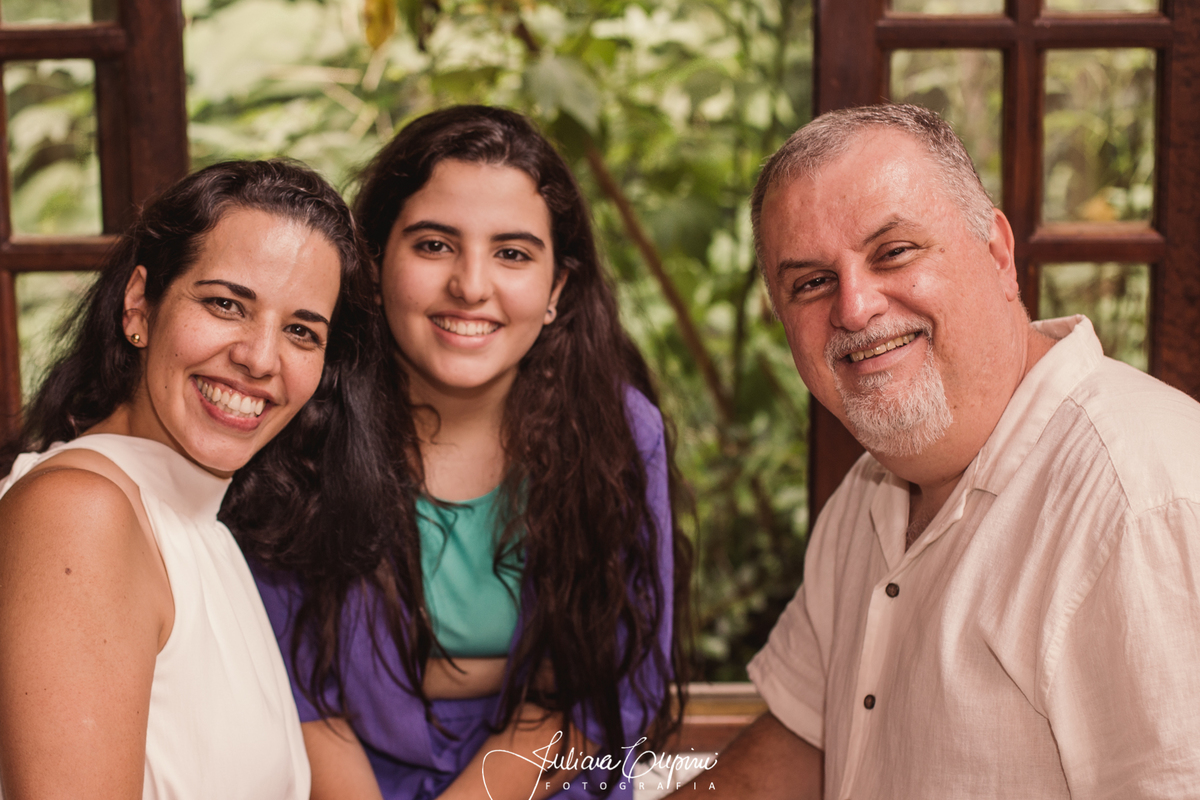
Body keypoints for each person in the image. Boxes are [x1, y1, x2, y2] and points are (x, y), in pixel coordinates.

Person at [686, 103, 1200, 799]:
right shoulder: (869, 491)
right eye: (811, 282)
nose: (855, 307)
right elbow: (804, 741)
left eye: (894, 252)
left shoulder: (1142, 503)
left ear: (998, 254)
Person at [252, 105, 691, 800]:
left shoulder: (616, 433)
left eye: (512, 253)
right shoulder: (303, 418)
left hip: (540, 780)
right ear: (374, 261)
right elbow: (292, 686)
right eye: (434, 245)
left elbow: (606, 688)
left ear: (557, 288)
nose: (471, 285)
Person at [0, 159, 398, 799]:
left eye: (300, 331)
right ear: (139, 305)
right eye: (225, 304)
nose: (260, 358)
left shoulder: (199, 523)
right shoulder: (78, 512)